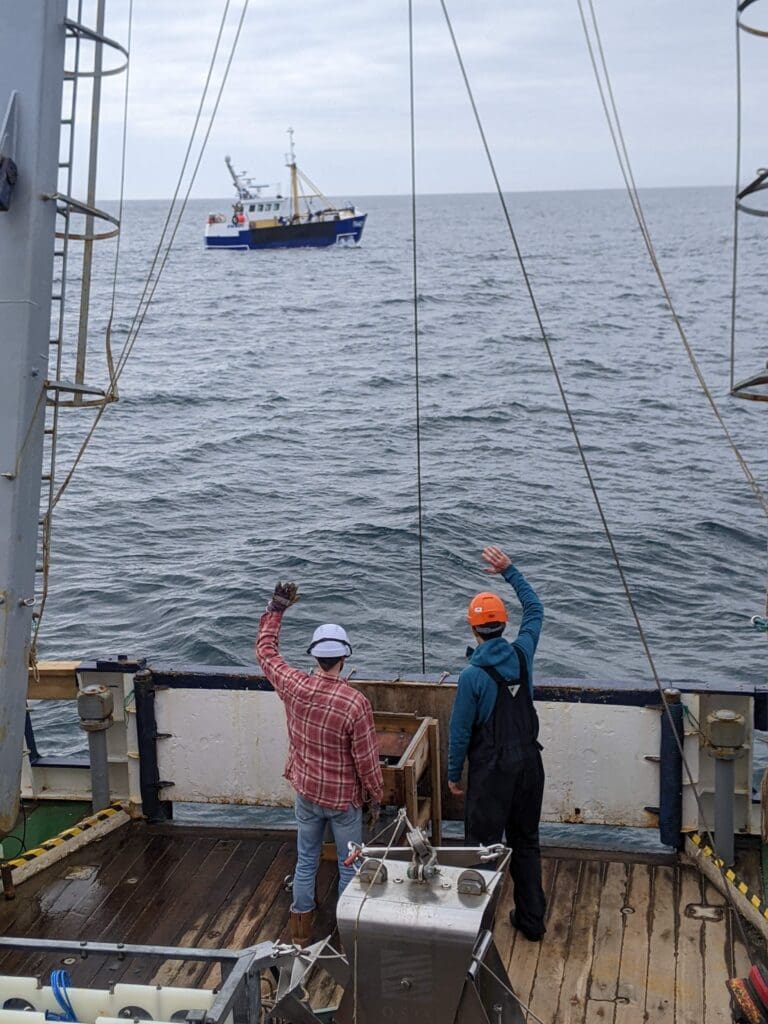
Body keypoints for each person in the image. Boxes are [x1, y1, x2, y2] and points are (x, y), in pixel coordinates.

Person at [255, 580, 384, 947]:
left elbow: (266, 652)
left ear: (314, 656)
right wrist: (375, 796)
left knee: (307, 858)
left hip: (306, 792)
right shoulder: (354, 703)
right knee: (350, 865)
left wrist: (276, 608)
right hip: (343, 802)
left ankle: (300, 928)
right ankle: (346, 934)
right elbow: (367, 762)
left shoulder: (293, 685)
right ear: (344, 658)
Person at [448, 545, 546, 941]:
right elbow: (536, 610)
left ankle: (475, 929)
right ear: (504, 626)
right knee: (526, 844)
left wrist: (455, 774)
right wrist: (510, 571)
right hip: (529, 766)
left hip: (491, 774)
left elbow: (459, 732)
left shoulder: (472, 676)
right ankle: (532, 922)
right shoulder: (523, 654)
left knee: (481, 851)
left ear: (474, 630)